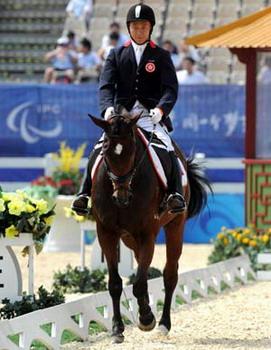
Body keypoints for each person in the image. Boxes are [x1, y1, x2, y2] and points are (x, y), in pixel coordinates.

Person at [72, 3, 186, 214]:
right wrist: (107, 110)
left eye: (143, 26)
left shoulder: (161, 56)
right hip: (120, 116)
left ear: (150, 28)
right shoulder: (116, 54)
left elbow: (170, 89)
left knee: (167, 147)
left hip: (149, 116)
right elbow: (106, 86)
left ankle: (174, 193)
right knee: (98, 148)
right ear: (129, 28)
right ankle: (84, 193)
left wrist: (161, 110)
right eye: (135, 26)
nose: (139, 30)